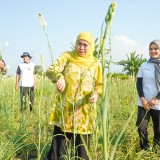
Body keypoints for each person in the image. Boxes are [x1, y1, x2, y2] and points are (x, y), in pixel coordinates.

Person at [46, 32, 102, 160]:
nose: (81, 47)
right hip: (66, 110)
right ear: (75, 44)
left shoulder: (95, 63)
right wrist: (59, 77)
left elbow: (100, 84)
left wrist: (96, 94)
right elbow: (50, 70)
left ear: (91, 46)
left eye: (85, 45)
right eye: (79, 44)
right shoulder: (67, 57)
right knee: (61, 147)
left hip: (84, 112)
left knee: (82, 150)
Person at [136, 39, 160, 151]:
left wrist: (156, 99)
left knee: (158, 129)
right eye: (151, 49)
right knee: (141, 126)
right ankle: (145, 148)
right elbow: (139, 82)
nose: (153, 51)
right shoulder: (144, 64)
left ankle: (156, 149)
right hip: (144, 103)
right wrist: (142, 98)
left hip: (158, 104)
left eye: (156, 48)